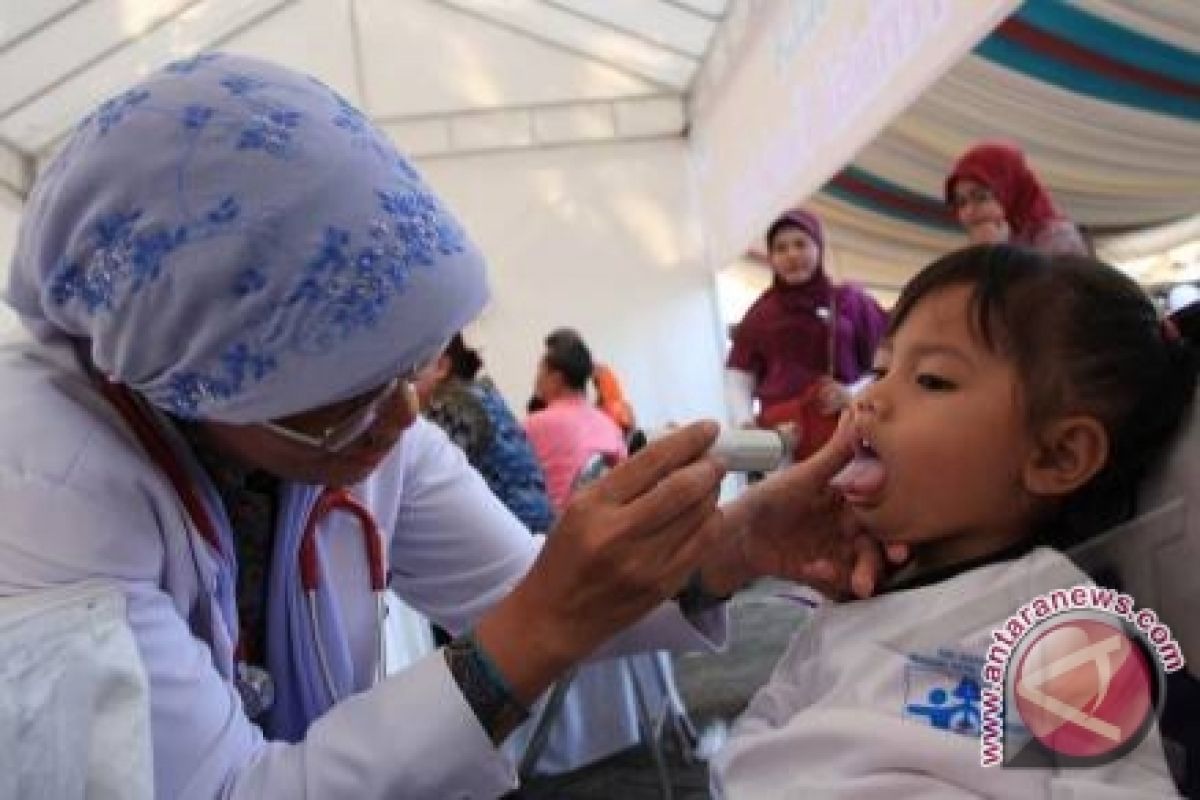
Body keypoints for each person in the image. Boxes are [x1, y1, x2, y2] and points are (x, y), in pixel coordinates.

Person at [0, 54, 899, 799]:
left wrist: (739, 543)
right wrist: (532, 632)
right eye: (349, 385)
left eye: (416, 364)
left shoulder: (360, 436)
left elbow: (527, 587)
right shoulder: (42, 483)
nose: (402, 413)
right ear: (189, 368)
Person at [712, 245, 1195, 798]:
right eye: (880, 369)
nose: (870, 399)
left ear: (1056, 456)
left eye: (932, 380)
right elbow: (768, 720)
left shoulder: (1054, 623)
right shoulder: (856, 593)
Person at [725, 208, 888, 459]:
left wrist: (852, 394)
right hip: (784, 440)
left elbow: (887, 361)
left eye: (801, 244)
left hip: (844, 429)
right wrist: (746, 426)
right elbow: (738, 373)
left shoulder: (851, 302)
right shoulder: (762, 312)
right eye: (780, 248)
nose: (791, 255)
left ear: (819, 248)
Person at [415, 333, 556, 533]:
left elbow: (428, 483)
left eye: (412, 371)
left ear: (441, 366)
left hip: (511, 527)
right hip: (534, 524)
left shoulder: (451, 407)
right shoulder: (481, 394)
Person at [525, 328, 628, 509]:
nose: (536, 378)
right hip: (612, 523)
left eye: (540, 369)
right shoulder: (610, 426)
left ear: (556, 379)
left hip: (558, 530)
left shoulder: (533, 426)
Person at [946, 141, 1089, 256]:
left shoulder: (1058, 237)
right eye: (961, 202)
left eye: (981, 197)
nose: (969, 211)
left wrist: (995, 253)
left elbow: (1045, 290)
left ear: (1012, 191)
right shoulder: (997, 237)